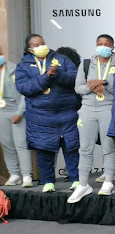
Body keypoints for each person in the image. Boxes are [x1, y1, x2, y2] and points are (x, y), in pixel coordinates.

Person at [15, 34, 80, 192]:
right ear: (30, 49)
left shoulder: (62, 59)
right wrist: (46, 76)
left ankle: (77, 180)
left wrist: (58, 74)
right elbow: (24, 88)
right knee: (44, 149)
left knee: (71, 148)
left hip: (66, 113)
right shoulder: (23, 66)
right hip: (40, 116)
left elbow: (75, 80)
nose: (41, 46)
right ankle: (48, 182)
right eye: (36, 45)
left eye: (42, 43)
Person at [68, 34, 115, 203]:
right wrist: (91, 86)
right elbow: (78, 87)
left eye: (106, 44)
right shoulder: (87, 64)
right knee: (85, 148)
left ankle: (109, 182)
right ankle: (83, 184)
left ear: (112, 46)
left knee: (108, 147)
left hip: (108, 108)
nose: (103, 47)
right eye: (100, 44)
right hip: (88, 109)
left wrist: (103, 83)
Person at [0, 47, 33, 187]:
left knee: (21, 144)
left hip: (17, 110)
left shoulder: (16, 69)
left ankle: (27, 175)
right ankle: (14, 174)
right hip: (1, 110)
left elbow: (25, 92)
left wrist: (19, 112)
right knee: (7, 144)